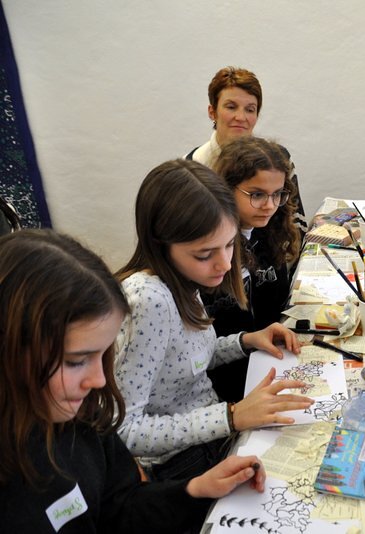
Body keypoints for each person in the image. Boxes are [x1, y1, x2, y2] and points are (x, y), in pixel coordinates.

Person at [0, 229, 267, 533]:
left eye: (104, 356)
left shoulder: (83, 419)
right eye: (76, 361)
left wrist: (195, 491)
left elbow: (121, 505)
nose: (99, 380)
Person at [114, 159, 314, 481]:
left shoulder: (183, 279)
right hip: (182, 463)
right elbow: (125, 431)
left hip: (214, 433)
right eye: (205, 254)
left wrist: (246, 340)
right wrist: (231, 415)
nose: (224, 264)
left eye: (230, 245)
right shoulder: (149, 300)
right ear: (161, 245)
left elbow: (187, 359)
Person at [204, 136, 303, 402]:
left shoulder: (269, 230)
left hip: (268, 360)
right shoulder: (211, 248)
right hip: (225, 381)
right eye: (257, 195)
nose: (269, 205)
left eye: (277, 194)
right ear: (226, 189)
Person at [185, 66, 307, 233]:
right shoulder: (191, 169)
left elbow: (296, 228)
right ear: (212, 112)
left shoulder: (279, 159)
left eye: (250, 109)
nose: (241, 117)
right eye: (231, 107)